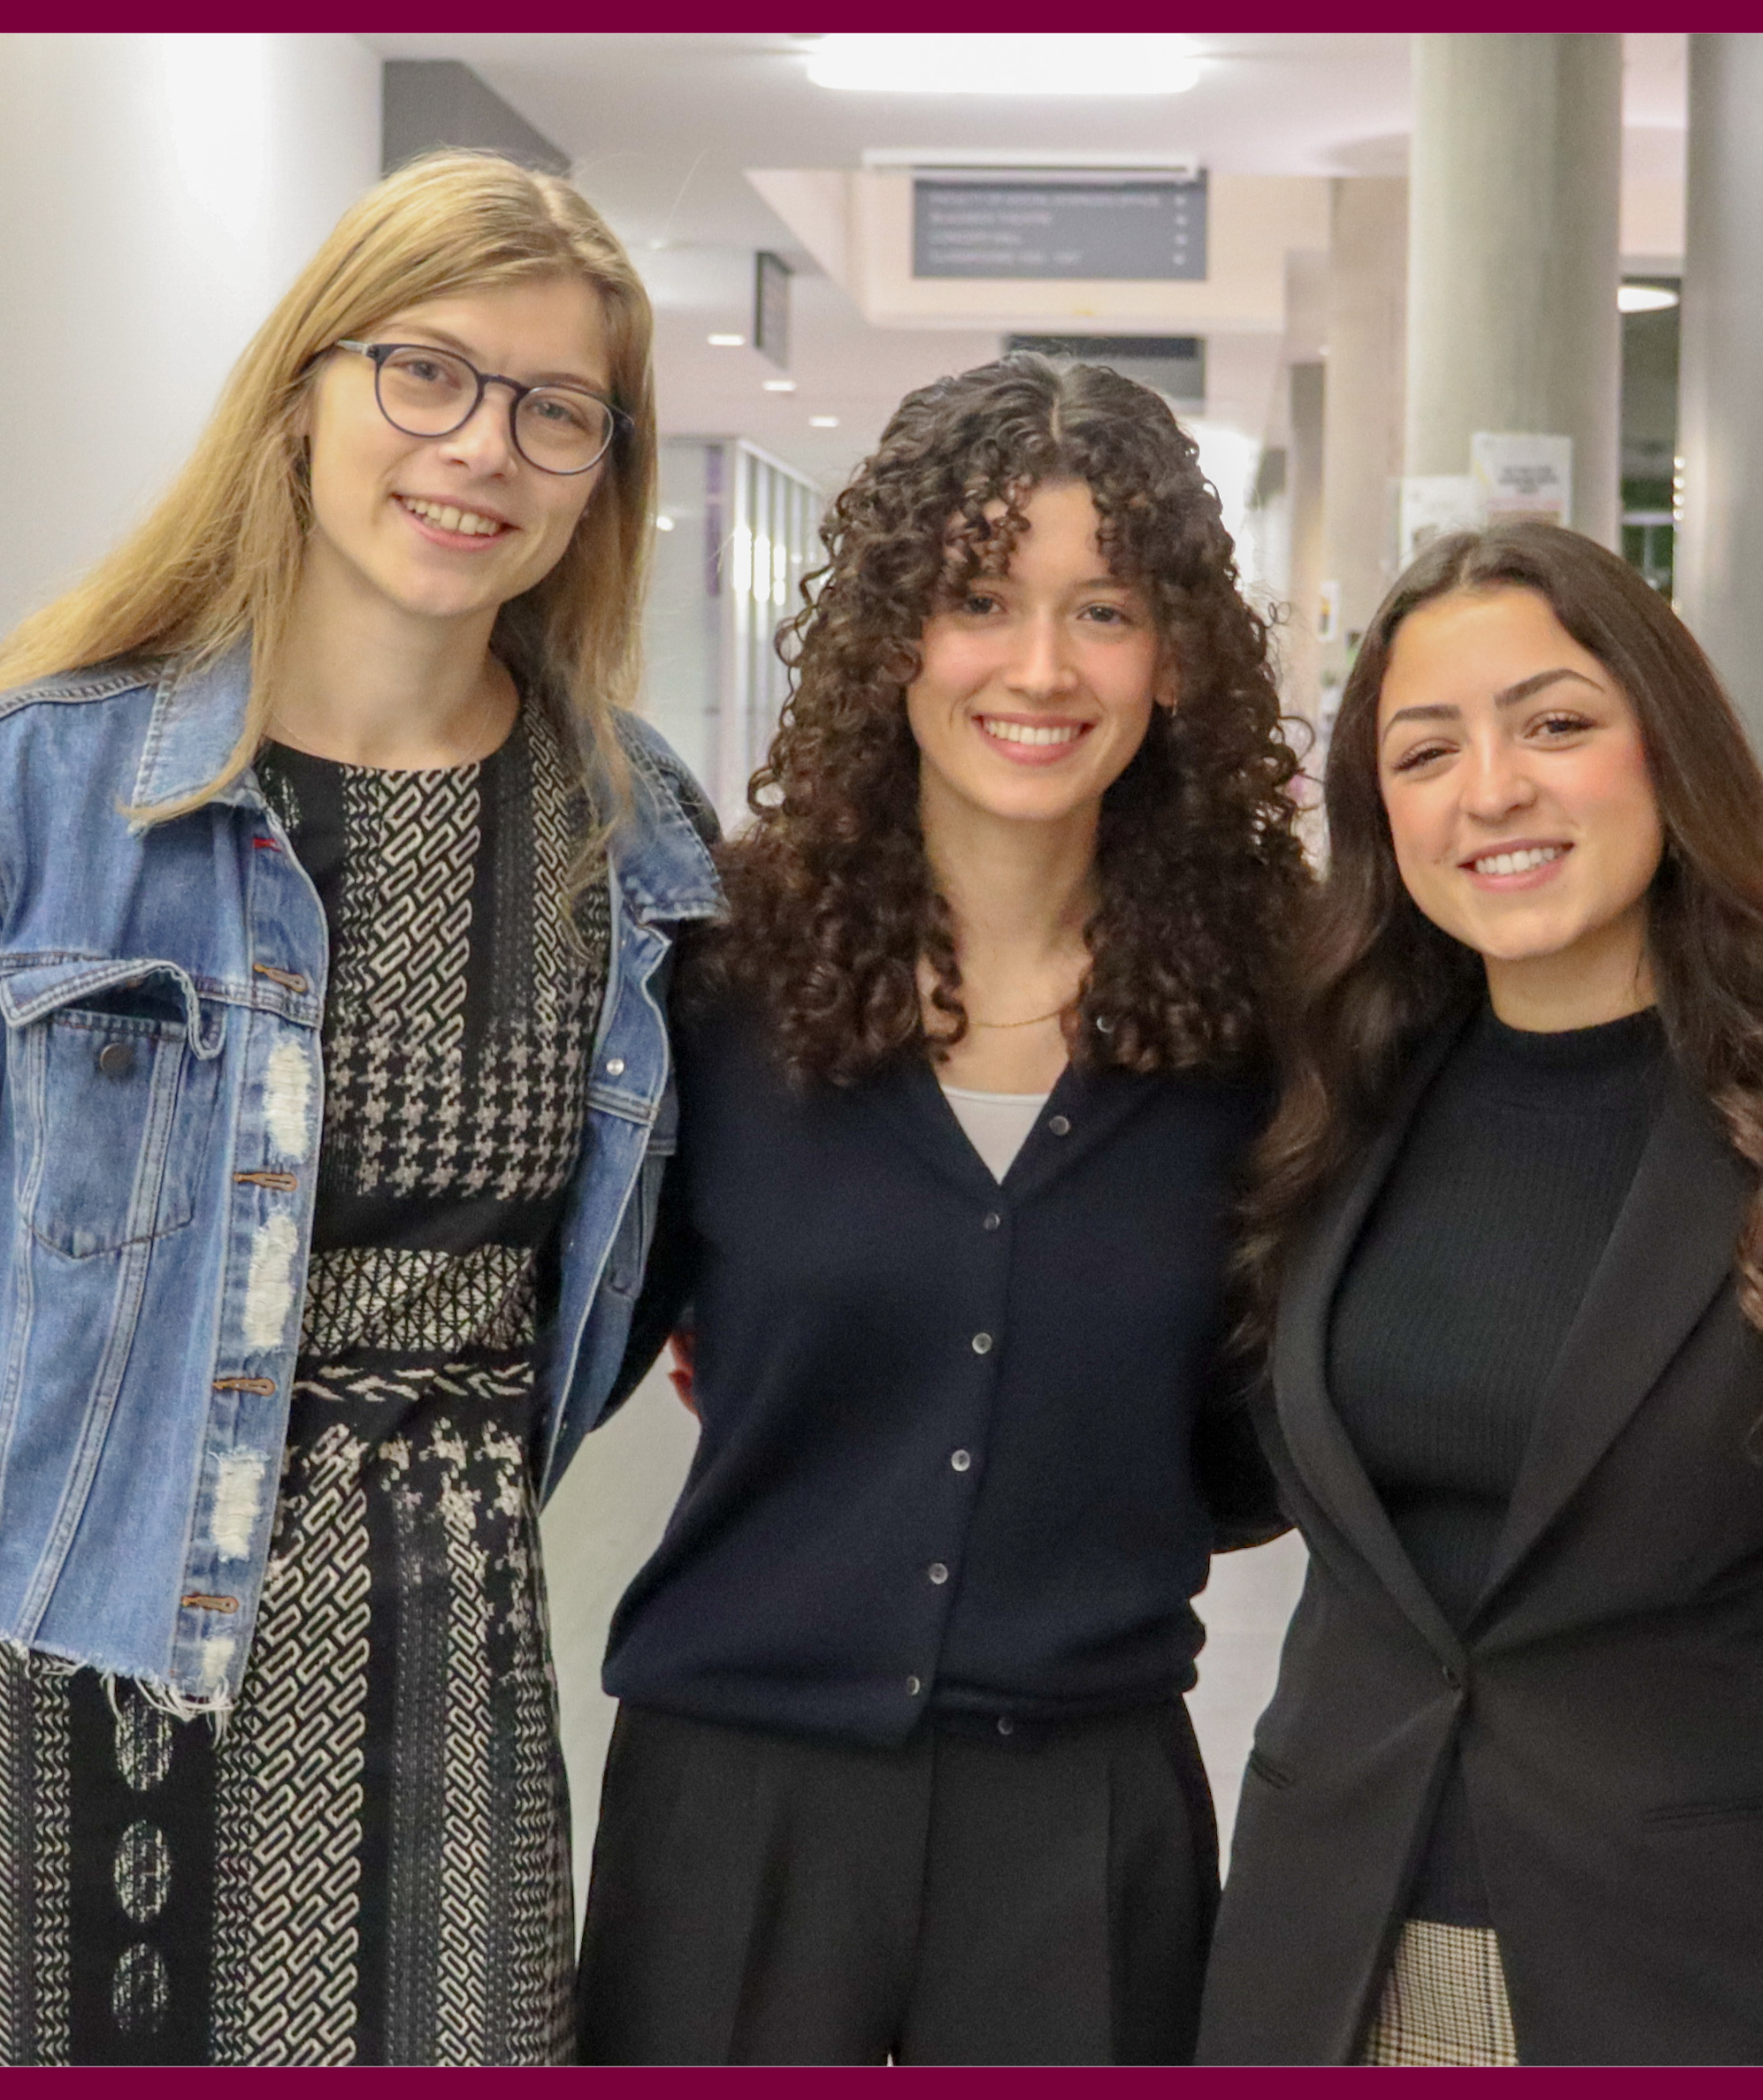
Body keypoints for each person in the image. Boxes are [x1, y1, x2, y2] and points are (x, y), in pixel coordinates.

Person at [0, 149, 723, 2067]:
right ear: (306, 390)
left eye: (555, 409)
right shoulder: (32, 790)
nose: (481, 448)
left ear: (605, 467)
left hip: (453, 1695)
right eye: (427, 372)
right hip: (63, 1707)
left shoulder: (638, 836)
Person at [574, 355, 1314, 2064]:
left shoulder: (1271, 1018)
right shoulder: (718, 987)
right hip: (738, 1807)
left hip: (1087, 1813)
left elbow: (1276, 1412)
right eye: (983, 600)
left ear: (1179, 656)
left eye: (1105, 610)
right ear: (896, 631)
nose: (1040, 670)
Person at [1196, 522, 1763, 2065]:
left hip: (1703, 1981)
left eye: (1556, 722)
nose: (1492, 788)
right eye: (1426, 752)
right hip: (1326, 1956)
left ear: (1667, 754)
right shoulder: (1321, 1132)